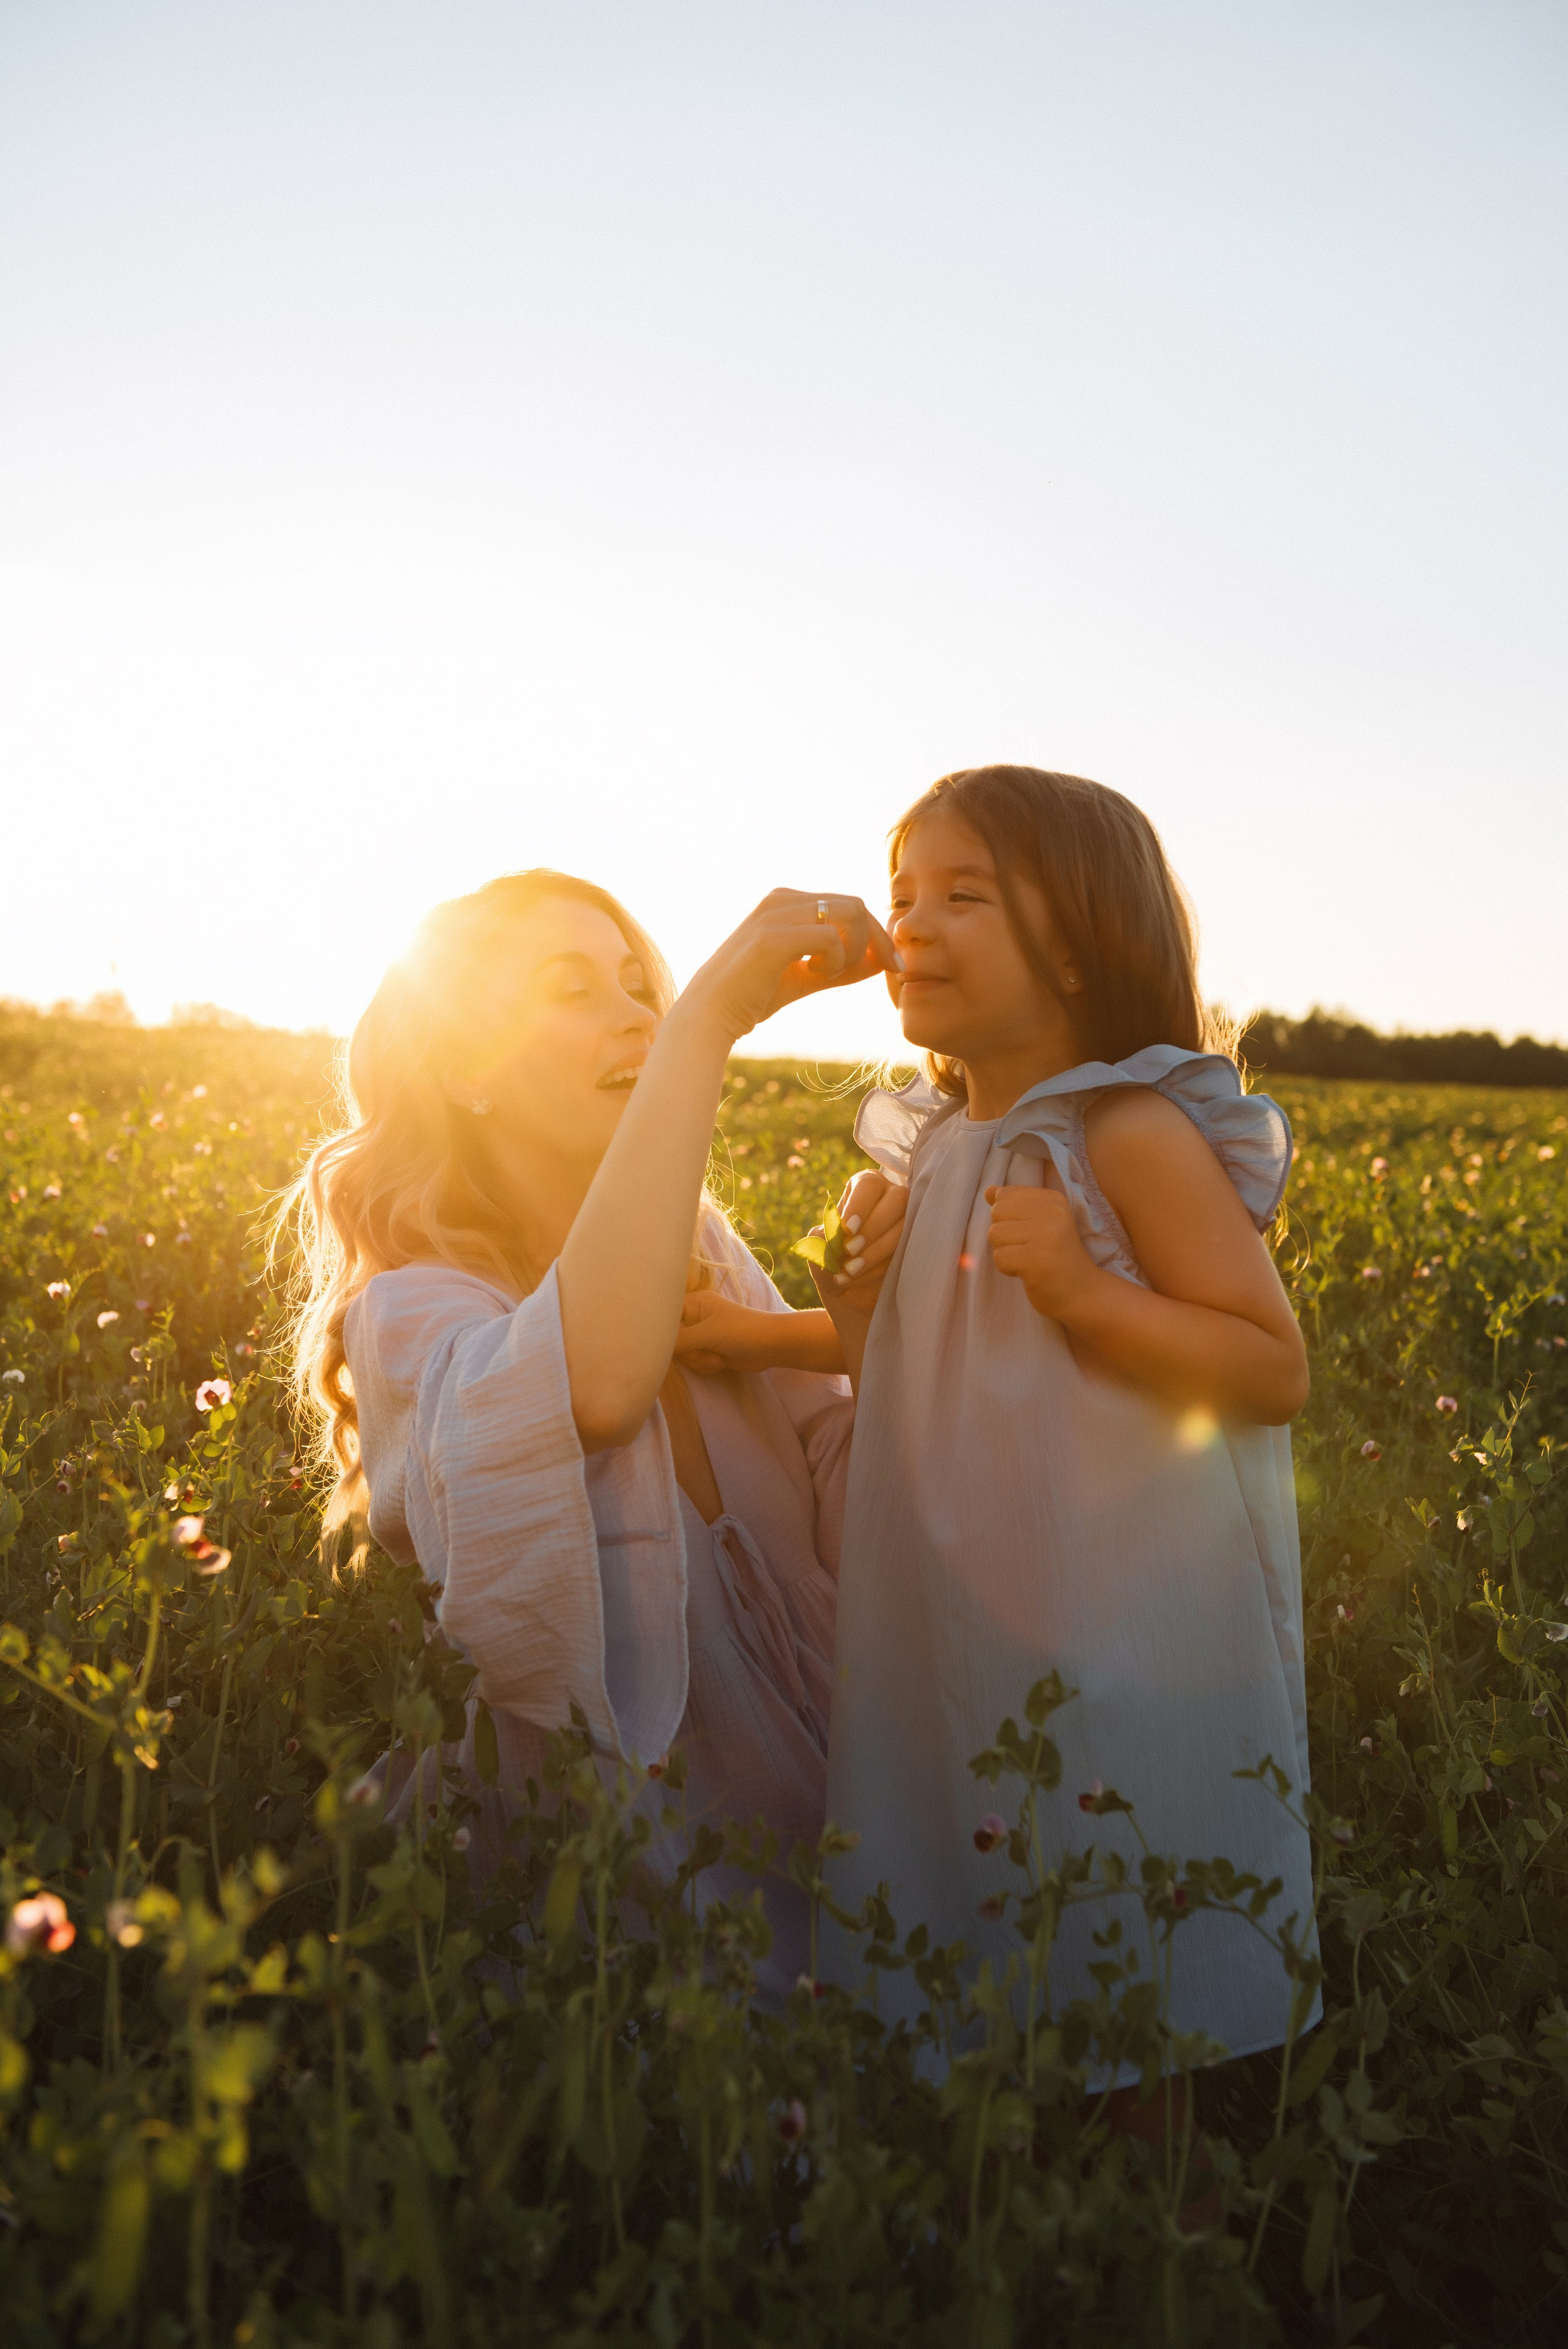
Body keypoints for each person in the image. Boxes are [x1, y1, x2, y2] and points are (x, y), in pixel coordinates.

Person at [684, 766, 1317, 2073]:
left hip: (1121, 1591)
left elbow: (1266, 1366)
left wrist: (1085, 1291)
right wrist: (828, 1308)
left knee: (1120, 1849)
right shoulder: (930, 1153)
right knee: (971, 1827)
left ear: (1080, 949)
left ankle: (1161, 2182)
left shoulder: (1126, 1131)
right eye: (904, 890)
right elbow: (922, 1359)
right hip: (955, 1586)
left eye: (962, 894)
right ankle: (1001, 2130)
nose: (911, 920)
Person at [282, 868, 905, 2003]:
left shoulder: (702, 1253)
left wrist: (865, 1334)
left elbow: (866, 1510)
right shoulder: (417, 1310)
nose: (634, 1013)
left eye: (641, 986)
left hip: (847, 1832)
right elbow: (600, 1387)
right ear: (464, 1065)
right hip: (622, 1895)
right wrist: (708, 1019)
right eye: (573, 988)